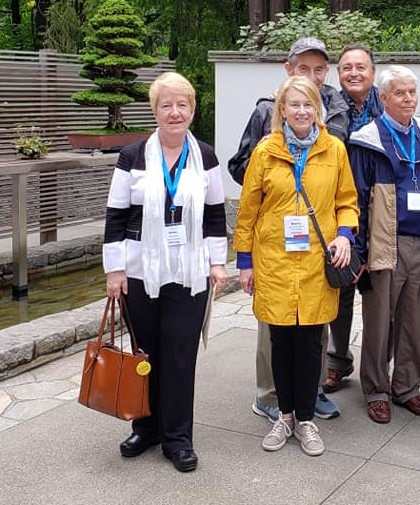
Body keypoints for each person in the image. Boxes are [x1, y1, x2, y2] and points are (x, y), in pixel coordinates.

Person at [103, 72, 229, 472]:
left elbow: (215, 215)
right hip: (140, 271)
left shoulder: (205, 156)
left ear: (192, 109)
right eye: (166, 105)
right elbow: (115, 214)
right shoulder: (133, 156)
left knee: (179, 355)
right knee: (145, 352)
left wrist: (217, 262)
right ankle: (146, 427)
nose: (175, 112)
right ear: (154, 110)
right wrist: (114, 270)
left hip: (189, 273)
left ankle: (177, 438)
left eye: (182, 105)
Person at [233, 75, 359, 456]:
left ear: (318, 110)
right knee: (281, 342)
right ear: (282, 110)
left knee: (310, 344)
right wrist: (245, 261)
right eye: (295, 104)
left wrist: (345, 235)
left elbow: (347, 201)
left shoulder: (334, 150)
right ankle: (283, 415)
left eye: (308, 104)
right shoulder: (266, 151)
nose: (302, 111)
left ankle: (305, 419)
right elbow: (248, 210)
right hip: (274, 260)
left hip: (316, 263)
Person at [348, 65, 420, 424]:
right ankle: (376, 390)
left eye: (412, 92)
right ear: (384, 98)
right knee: (378, 322)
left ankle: (406, 387)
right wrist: (360, 251)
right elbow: (357, 197)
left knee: (412, 321)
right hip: (385, 241)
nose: (408, 99)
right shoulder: (368, 139)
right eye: (400, 93)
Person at [323, 43, 384, 394]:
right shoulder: (329, 105)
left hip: (380, 208)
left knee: (379, 292)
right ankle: (337, 360)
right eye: (346, 67)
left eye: (361, 67)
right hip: (341, 207)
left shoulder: (385, 104)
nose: (354, 73)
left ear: (373, 72)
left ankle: (379, 369)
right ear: (338, 73)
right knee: (341, 285)